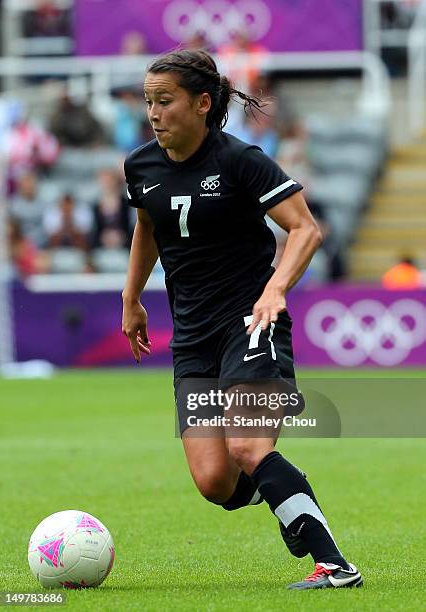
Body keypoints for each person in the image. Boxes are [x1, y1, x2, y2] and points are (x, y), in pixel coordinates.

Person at [122, 49, 362, 590]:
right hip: (193, 338)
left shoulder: (239, 160)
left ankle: (335, 565)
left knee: (249, 447)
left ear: (203, 103)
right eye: (148, 102)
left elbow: (305, 229)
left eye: (165, 101)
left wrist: (274, 290)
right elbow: (147, 228)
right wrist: (131, 296)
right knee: (215, 481)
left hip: (251, 324)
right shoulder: (140, 166)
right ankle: (284, 487)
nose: (154, 113)